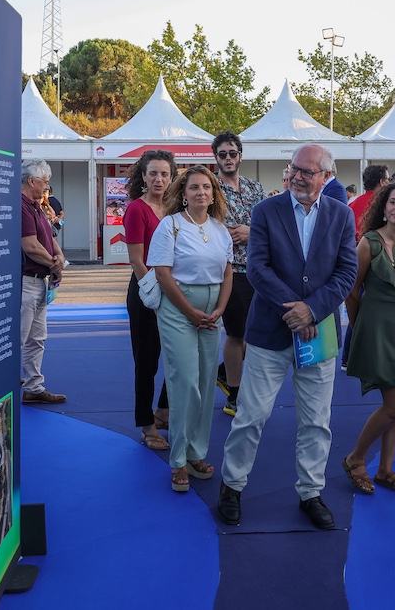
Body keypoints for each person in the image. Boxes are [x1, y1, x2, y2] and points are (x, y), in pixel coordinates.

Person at [218, 144, 357, 529]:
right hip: (268, 335)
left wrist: (313, 310)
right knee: (250, 417)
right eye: (294, 168)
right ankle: (232, 485)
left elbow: (346, 273)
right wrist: (295, 309)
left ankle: (311, 492)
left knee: (316, 421)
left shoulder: (342, 216)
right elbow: (258, 269)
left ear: (325, 177)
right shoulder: (266, 210)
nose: (297, 176)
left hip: (318, 334)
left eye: (307, 171)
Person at [341, 179, 395, 495]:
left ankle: (386, 470)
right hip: (376, 330)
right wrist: (360, 323)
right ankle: (355, 458)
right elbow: (352, 290)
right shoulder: (368, 243)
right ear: (384, 206)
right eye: (393, 202)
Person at [150, 166, 233, 493]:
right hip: (178, 309)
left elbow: (228, 273)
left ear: (214, 194)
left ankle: (197, 452)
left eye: (206, 188)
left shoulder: (220, 229)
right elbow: (162, 274)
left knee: (203, 381)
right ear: (183, 194)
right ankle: (179, 459)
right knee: (184, 382)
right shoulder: (169, 226)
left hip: (212, 311)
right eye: (194, 187)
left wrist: (220, 310)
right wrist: (191, 312)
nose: (201, 192)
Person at [211, 131, 265, 417]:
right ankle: (234, 394)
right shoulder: (210, 188)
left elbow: (267, 227)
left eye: (232, 153)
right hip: (228, 271)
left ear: (240, 156)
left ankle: (224, 372)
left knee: (255, 335)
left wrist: (250, 232)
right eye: (222, 154)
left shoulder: (255, 188)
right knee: (236, 333)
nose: (228, 158)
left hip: (259, 269)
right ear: (215, 157)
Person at [123, 151, 173, 451]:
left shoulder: (175, 208)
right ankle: (147, 424)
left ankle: (164, 410)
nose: (158, 179)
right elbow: (136, 260)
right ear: (143, 176)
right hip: (147, 293)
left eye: (164, 174)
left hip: (174, 291)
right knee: (147, 362)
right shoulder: (136, 210)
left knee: (179, 356)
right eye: (153, 173)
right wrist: (154, 293)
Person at [19, 159, 66, 404]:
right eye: (45, 182)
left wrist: (58, 260)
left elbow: (48, 237)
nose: (47, 187)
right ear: (31, 180)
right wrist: (54, 262)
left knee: (37, 338)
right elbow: (29, 246)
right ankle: (11, 384)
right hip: (27, 281)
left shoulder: (36, 207)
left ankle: (34, 386)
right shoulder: (22, 206)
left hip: (39, 281)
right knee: (20, 336)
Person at [341, 163, 390, 370]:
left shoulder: (352, 204)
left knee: (356, 305)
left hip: (351, 260)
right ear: (381, 181)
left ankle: (348, 356)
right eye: (387, 180)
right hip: (375, 264)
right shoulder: (382, 204)